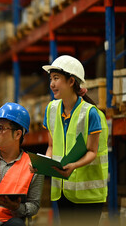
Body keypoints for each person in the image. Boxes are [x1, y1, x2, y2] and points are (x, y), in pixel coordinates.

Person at [38, 55, 108, 225]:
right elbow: (52, 146)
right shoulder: (51, 109)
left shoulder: (90, 113)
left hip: (88, 195)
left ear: (71, 81)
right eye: (50, 79)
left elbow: (92, 151)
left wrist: (74, 166)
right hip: (63, 190)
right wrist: (44, 165)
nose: (52, 84)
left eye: (56, 78)